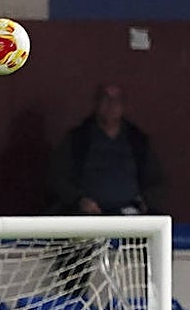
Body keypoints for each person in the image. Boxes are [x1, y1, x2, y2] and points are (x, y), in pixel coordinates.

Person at [47, 83, 166, 215]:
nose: (111, 104)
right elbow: (58, 177)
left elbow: (157, 180)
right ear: (96, 103)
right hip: (87, 215)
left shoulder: (138, 141)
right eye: (106, 98)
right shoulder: (77, 139)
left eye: (116, 100)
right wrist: (79, 200)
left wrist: (144, 202)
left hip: (130, 215)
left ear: (123, 106)